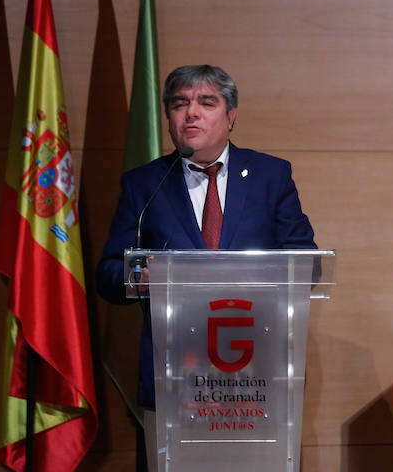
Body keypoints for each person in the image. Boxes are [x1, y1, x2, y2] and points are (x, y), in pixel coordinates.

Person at [96, 64, 316, 410]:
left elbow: (308, 265)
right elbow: (108, 273)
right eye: (180, 104)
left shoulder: (270, 176)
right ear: (168, 118)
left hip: (257, 368)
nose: (191, 113)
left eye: (206, 103)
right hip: (174, 372)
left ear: (231, 116)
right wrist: (140, 278)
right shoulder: (144, 184)